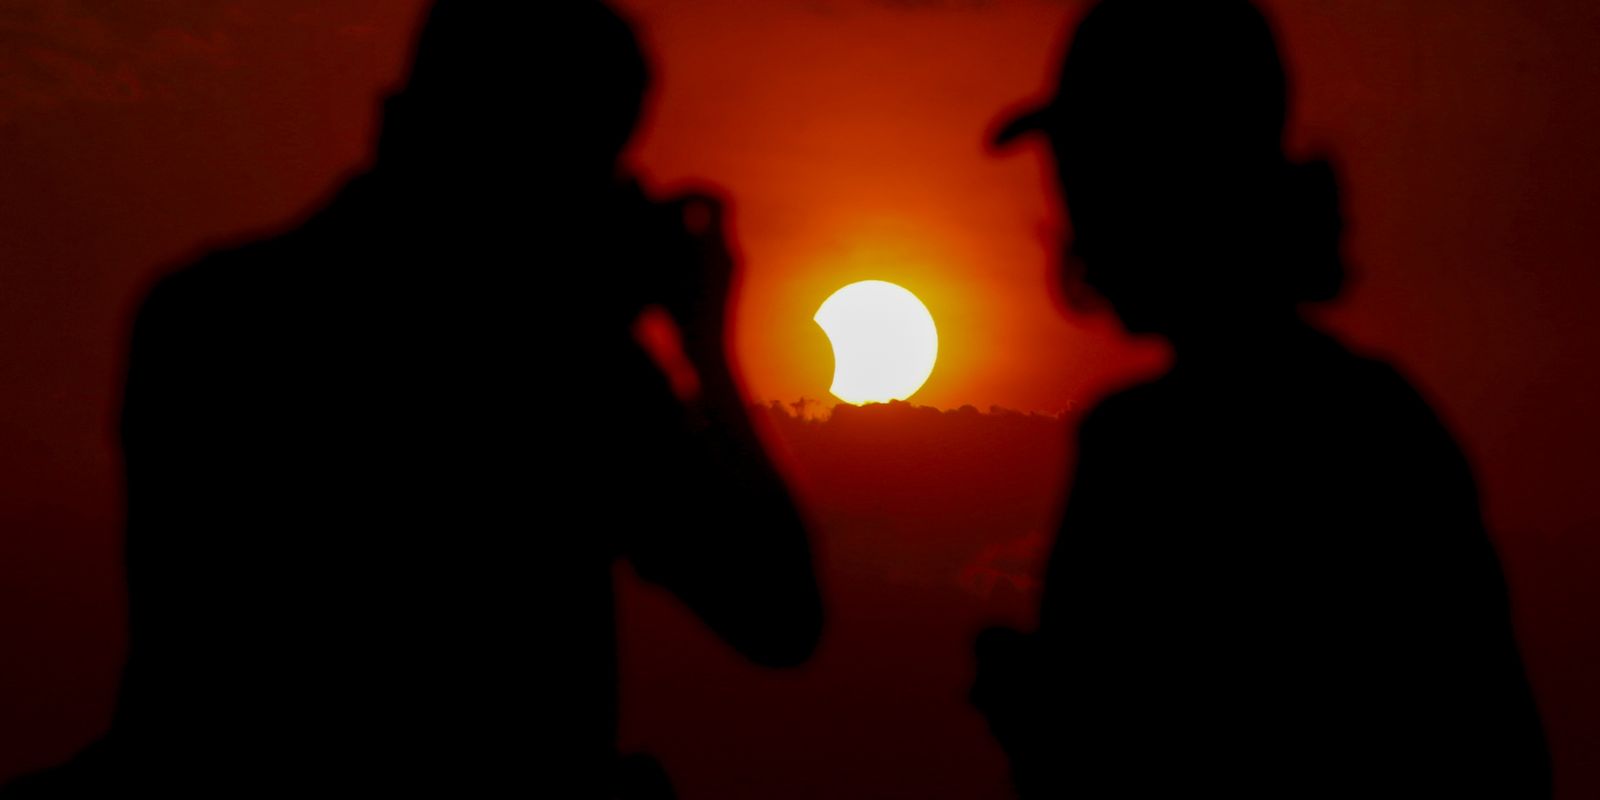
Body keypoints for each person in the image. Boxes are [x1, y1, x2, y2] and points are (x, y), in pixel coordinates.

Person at [3, 3, 820, 796]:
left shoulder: (201, 312)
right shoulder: (569, 374)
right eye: (597, 163)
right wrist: (705, 348)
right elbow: (779, 617)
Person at [971, 1, 1551, 796]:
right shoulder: (1385, 427)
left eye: (1091, 166)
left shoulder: (1140, 451)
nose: (1069, 201)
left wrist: (1050, 726)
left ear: (1159, 182)